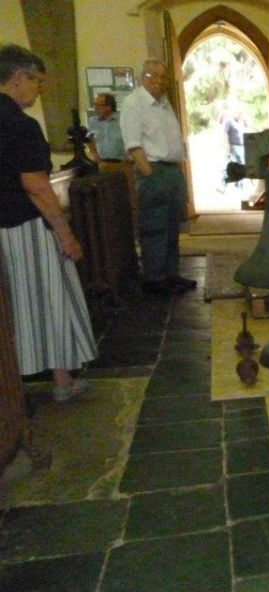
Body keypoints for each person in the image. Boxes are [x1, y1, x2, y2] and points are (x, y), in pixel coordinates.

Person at [0, 44, 96, 402]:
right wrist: (66, 234)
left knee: (11, 309)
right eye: (37, 80)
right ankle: (60, 382)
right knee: (48, 301)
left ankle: (22, 388)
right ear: (18, 77)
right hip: (24, 229)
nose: (40, 89)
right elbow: (37, 187)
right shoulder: (20, 125)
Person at [120, 59, 195, 295]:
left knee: (172, 227)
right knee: (154, 228)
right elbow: (134, 145)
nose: (161, 82)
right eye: (156, 76)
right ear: (144, 77)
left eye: (164, 77)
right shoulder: (134, 103)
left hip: (171, 170)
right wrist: (150, 175)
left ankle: (171, 275)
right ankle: (155, 279)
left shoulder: (163, 102)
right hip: (153, 170)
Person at [86, 92, 138, 231]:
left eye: (99, 105)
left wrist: (129, 157)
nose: (95, 108)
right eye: (95, 104)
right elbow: (88, 139)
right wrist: (93, 153)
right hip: (104, 166)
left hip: (123, 165)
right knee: (107, 201)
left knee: (131, 200)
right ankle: (114, 232)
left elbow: (133, 137)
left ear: (109, 107)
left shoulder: (123, 119)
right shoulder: (93, 122)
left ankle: (135, 232)